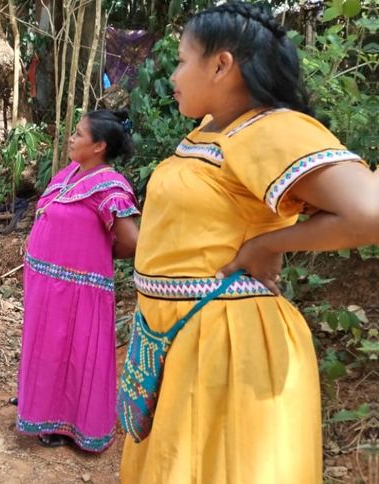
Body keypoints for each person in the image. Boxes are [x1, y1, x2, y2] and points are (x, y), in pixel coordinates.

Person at [120, 2, 379, 482]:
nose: (173, 72)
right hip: (178, 338)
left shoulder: (272, 128)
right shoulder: (209, 130)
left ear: (221, 64)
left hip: (227, 347)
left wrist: (268, 246)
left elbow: (369, 213)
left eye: (181, 58)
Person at [16, 110, 140, 452]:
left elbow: (131, 240)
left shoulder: (111, 187)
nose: (71, 138)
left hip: (78, 289)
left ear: (99, 146)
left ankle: (68, 424)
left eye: (79, 134)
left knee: (72, 351)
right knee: (48, 348)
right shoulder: (71, 173)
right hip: (48, 284)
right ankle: (39, 405)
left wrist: (95, 252)